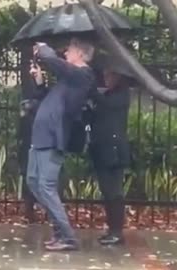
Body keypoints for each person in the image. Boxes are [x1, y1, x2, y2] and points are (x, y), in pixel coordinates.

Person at [26, 38, 95, 251]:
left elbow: (55, 62)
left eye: (70, 50)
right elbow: (49, 99)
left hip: (53, 139)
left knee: (45, 187)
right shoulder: (67, 81)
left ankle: (68, 238)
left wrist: (44, 50)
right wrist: (39, 81)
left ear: (81, 55)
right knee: (33, 182)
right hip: (40, 137)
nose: (66, 53)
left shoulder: (83, 75)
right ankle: (59, 233)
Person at [88, 60, 132, 245]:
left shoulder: (121, 95)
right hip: (102, 149)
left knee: (114, 192)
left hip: (114, 150)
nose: (106, 79)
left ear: (118, 77)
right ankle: (111, 229)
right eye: (104, 75)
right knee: (107, 191)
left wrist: (91, 91)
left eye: (110, 76)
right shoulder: (107, 94)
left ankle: (117, 231)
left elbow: (107, 106)